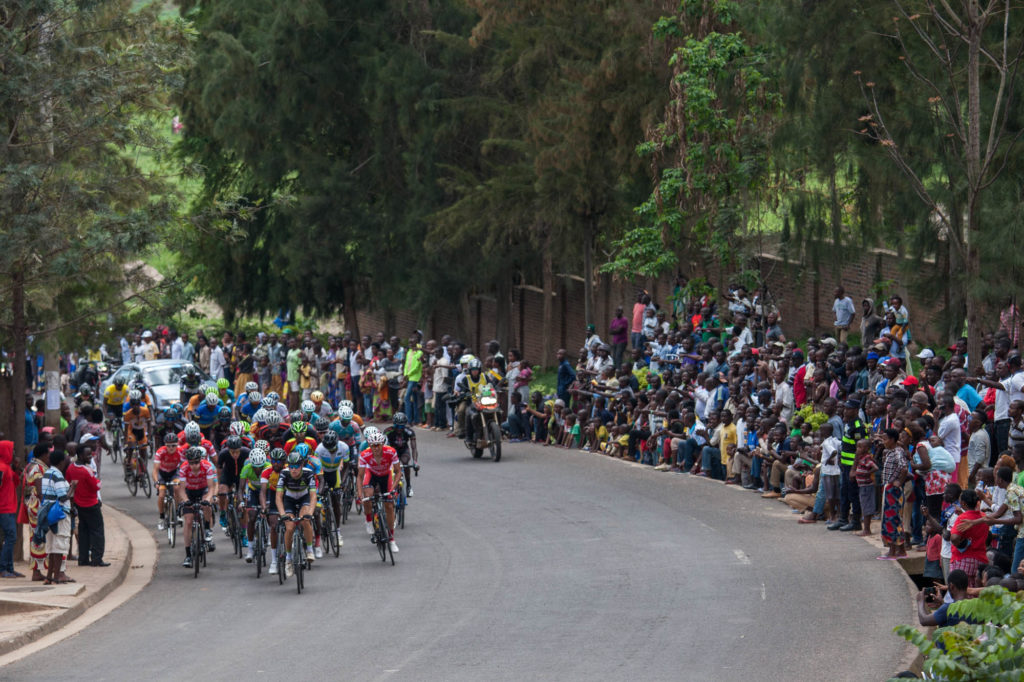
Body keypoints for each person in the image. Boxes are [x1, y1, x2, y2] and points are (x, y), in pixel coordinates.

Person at [275, 449, 317, 577]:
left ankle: (309, 550)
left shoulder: (308, 474)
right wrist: (282, 514)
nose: (293, 470)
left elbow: (313, 496)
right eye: (291, 466)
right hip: (289, 499)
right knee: (290, 527)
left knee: (305, 520)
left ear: (302, 465)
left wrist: (310, 512)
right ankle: (288, 559)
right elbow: (278, 497)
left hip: (304, 497)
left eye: (296, 467)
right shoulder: (284, 474)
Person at [358, 429, 401, 553]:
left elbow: (398, 471)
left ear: (382, 444)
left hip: (386, 475)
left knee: (389, 505)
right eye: (373, 446)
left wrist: (393, 488)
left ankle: (392, 539)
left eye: (378, 445)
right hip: (371, 474)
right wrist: (359, 493)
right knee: (368, 497)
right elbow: (360, 476)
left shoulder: (391, 452)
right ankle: (369, 520)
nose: (375, 448)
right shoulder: (365, 454)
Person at [175, 446, 217, 568]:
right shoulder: (184, 468)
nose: (194, 466)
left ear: (200, 460)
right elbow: (181, 490)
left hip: (203, 490)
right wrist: (186, 501)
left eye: (196, 462)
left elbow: (211, 488)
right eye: (191, 463)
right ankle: (188, 555)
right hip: (189, 492)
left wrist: (208, 499)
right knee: (188, 521)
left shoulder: (207, 466)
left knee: (206, 505)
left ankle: (208, 530)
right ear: (188, 462)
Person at [66, 444, 107, 566]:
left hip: (79, 504)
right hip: (91, 504)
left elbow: (68, 482)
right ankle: (97, 559)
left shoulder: (71, 468)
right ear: (80, 455)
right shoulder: (87, 470)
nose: (90, 457)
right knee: (97, 532)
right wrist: (97, 479)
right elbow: (96, 486)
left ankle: (83, 559)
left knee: (84, 531)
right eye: (88, 455)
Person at [41, 450, 75, 584]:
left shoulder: (47, 473)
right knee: (60, 545)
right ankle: (58, 575)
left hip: (48, 512)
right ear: (61, 462)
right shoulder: (58, 476)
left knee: (51, 545)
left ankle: (50, 576)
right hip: (60, 513)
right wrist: (73, 487)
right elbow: (63, 497)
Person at [384, 412, 419, 496]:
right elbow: (384, 446)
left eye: (401, 426)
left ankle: (408, 486)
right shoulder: (387, 431)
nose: (399, 429)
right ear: (394, 425)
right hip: (392, 451)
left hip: (403, 450)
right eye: (397, 426)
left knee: (405, 463)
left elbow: (414, 448)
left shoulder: (409, 432)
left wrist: (415, 462)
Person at [0, 440, 19, 578]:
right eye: (11, 451)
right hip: (4, 508)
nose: (14, 453)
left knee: (11, 537)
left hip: (10, 508)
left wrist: (16, 468)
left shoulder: (7, 467)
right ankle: (3, 568)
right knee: (11, 537)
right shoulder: (2, 467)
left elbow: (15, 482)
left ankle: (10, 568)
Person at [609, 306, 629, 371]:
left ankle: (619, 370)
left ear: (622, 312)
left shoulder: (624, 320)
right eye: (617, 311)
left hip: (622, 341)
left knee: (618, 356)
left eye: (620, 311)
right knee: (614, 356)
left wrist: (614, 330)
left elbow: (619, 331)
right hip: (615, 341)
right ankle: (615, 370)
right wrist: (616, 330)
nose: (618, 312)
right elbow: (610, 331)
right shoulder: (614, 320)